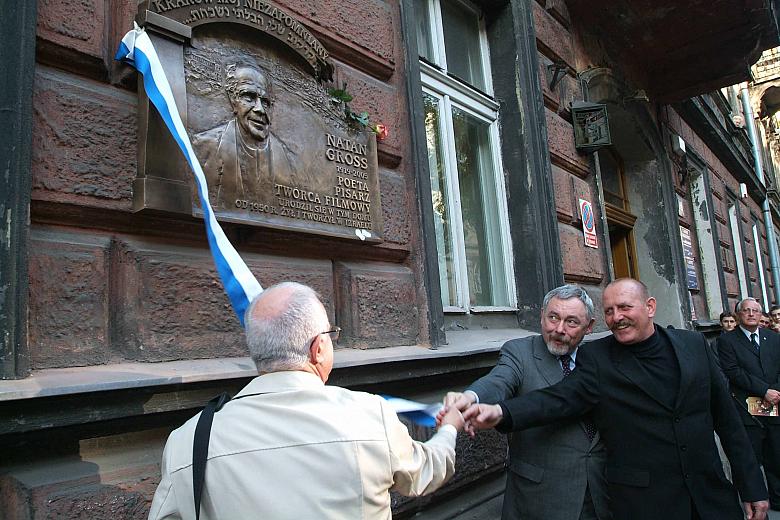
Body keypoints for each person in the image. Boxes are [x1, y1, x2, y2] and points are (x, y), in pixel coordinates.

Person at [148, 282, 465, 519]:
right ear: (318, 348)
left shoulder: (187, 441)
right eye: (330, 334)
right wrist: (449, 428)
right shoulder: (370, 416)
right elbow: (428, 472)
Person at [460, 278, 768, 520]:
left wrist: (752, 486)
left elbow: (728, 420)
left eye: (624, 308)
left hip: (710, 497)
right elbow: (557, 399)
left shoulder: (694, 345)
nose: (616, 317)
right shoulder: (599, 358)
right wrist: (500, 411)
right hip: (645, 505)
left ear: (649, 306)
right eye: (609, 311)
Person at [442, 285, 609, 520]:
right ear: (542, 316)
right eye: (553, 318)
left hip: (597, 496)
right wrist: (470, 397)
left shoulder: (600, 358)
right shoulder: (520, 352)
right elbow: (499, 380)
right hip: (539, 498)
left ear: (589, 327)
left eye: (571, 322)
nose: (559, 329)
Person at [192, 61, 302, 209]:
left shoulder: (287, 159)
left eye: (265, 102)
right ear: (233, 100)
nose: (260, 109)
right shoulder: (203, 146)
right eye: (249, 97)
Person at [717, 297, 780, 510]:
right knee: (749, 458)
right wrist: (764, 391)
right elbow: (733, 371)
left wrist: (776, 391)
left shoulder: (773, 338)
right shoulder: (727, 341)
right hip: (747, 408)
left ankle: (778, 500)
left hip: (775, 405)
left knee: (776, 454)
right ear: (738, 315)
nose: (751, 314)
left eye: (755, 310)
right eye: (746, 310)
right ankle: (753, 500)